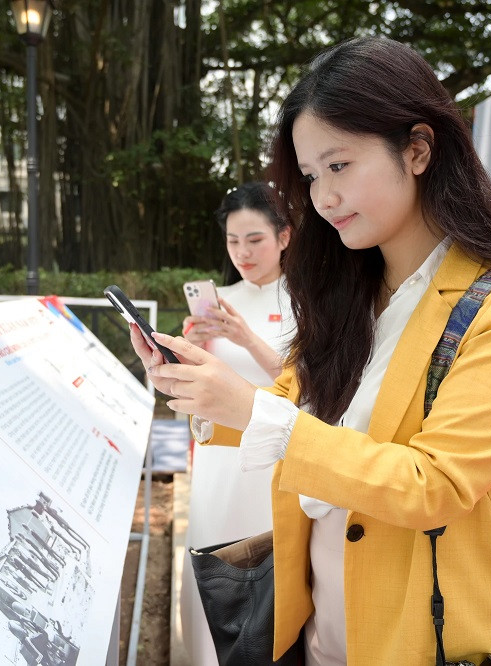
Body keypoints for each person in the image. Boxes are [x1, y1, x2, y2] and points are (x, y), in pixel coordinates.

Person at [133, 37, 491, 665]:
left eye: (339, 166)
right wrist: (200, 387)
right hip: (317, 633)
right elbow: (285, 405)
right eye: (311, 177)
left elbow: (436, 483)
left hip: (426, 636)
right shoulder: (344, 294)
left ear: (417, 149)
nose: (323, 197)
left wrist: (256, 415)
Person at [178, 182, 295, 665]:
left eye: (255, 239)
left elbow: (303, 383)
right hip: (217, 461)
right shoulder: (217, 300)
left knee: (268, 579)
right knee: (212, 562)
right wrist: (190, 349)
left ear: (284, 236)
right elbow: (198, 387)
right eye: (233, 241)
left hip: (278, 460)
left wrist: (246, 338)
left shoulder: (308, 299)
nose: (243, 252)